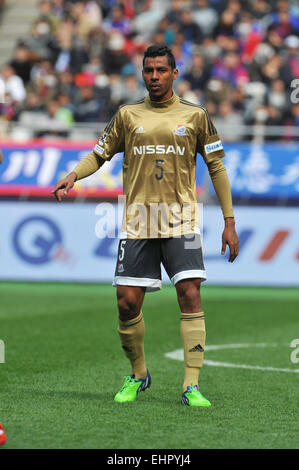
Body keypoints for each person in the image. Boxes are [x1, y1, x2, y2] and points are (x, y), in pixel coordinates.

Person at [52, 45, 239, 407]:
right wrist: (74, 175)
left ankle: (191, 384)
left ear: (174, 73)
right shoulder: (127, 115)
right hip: (138, 220)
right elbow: (99, 153)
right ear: (143, 74)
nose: (154, 76)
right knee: (126, 302)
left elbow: (216, 166)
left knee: (189, 293)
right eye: (148, 70)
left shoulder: (196, 115)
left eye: (160, 70)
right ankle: (139, 374)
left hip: (181, 218)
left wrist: (229, 221)